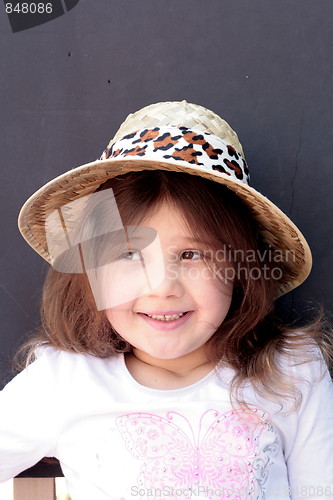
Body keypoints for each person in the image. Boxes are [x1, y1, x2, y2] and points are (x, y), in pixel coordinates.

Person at [1, 100, 333, 500]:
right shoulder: (64, 381)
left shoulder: (292, 371)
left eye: (192, 255)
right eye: (129, 254)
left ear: (239, 269)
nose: (162, 287)